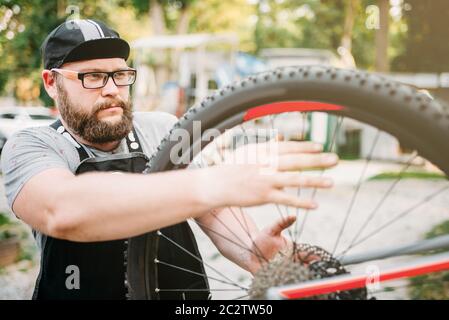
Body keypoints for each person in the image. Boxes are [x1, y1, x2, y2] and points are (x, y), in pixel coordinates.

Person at [0, 19, 338, 300]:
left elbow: (215, 211)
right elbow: (62, 210)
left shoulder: (162, 128)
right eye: (92, 77)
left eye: (120, 75)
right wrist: (213, 181)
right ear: (51, 82)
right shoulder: (30, 146)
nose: (111, 89)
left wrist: (251, 248)